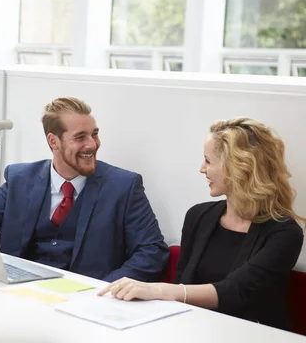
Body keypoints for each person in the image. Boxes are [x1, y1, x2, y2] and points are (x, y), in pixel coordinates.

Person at [0, 97, 169, 282]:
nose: (92, 144)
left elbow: (153, 251)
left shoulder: (124, 186)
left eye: (94, 134)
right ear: (54, 141)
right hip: (16, 297)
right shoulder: (20, 178)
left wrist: (107, 289)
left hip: (84, 303)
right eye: (80, 137)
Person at [98, 117, 305, 330]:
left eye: (208, 161)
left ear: (238, 167)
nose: (201, 168)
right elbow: (182, 284)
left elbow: (237, 292)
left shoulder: (285, 232)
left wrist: (157, 290)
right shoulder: (199, 216)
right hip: (194, 329)